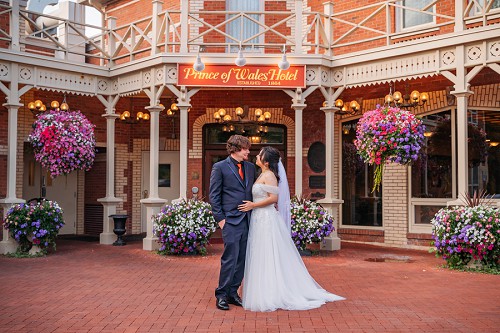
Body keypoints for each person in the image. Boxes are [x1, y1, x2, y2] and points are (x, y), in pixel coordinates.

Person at [238, 146, 345, 312]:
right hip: (259, 219)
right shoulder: (262, 174)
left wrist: (253, 205)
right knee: (260, 253)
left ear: (266, 161)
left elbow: (274, 198)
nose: (256, 156)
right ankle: (263, 288)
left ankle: (273, 293)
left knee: (268, 253)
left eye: (260, 155)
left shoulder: (270, 175)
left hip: (266, 219)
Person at [209, 135, 256, 311]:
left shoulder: (250, 168)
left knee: (242, 259)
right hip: (230, 220)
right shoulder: (219, 167)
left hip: (248, 220)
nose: (248, 152)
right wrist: (221, 219)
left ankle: (233, 292)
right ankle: (221, 295)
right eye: (246, 149)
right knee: (230, 258)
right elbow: (214, 195)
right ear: (236, 149)